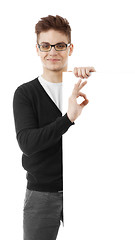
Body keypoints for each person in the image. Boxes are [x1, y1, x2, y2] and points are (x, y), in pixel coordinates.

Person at [13, 15, 95, 240]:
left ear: (70, 48)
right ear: (37, 49)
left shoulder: (89, 84)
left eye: (60, 45)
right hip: (42, 194)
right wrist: (67, 118)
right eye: (45, 45)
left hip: (88, 188)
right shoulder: (25, 93)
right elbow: (28, 143)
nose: (52, 52)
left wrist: (97, 75)